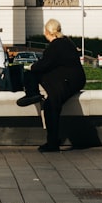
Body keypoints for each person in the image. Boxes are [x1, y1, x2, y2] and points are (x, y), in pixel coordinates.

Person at [15, 18, 86, 152]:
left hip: (67, 81)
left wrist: (31, 67)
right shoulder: (67, 42)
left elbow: (44, 64)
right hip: (76, 79)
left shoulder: (54, 46)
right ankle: (33, 94)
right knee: (52, 102)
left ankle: (32, 94)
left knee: (50, 104)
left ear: (48, 32)